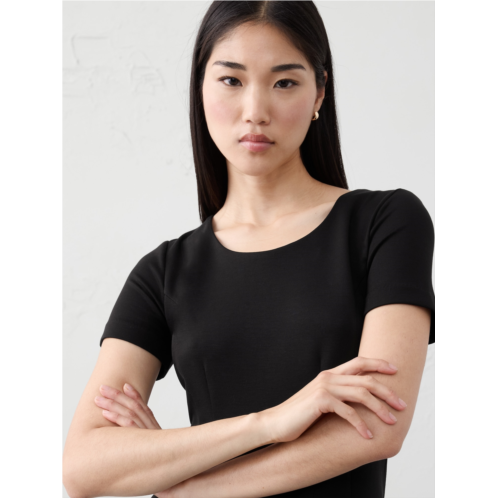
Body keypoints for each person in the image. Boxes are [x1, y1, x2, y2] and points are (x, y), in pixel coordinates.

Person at [62, 1, 435, 497]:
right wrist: (270, 423)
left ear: (320, 92)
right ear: (200, 88)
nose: (255, 111)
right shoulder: (164, 272)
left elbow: (378, 426)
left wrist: (186, 486)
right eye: (231, 80)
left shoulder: (385, 223)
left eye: (284, 82)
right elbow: (83, 466)